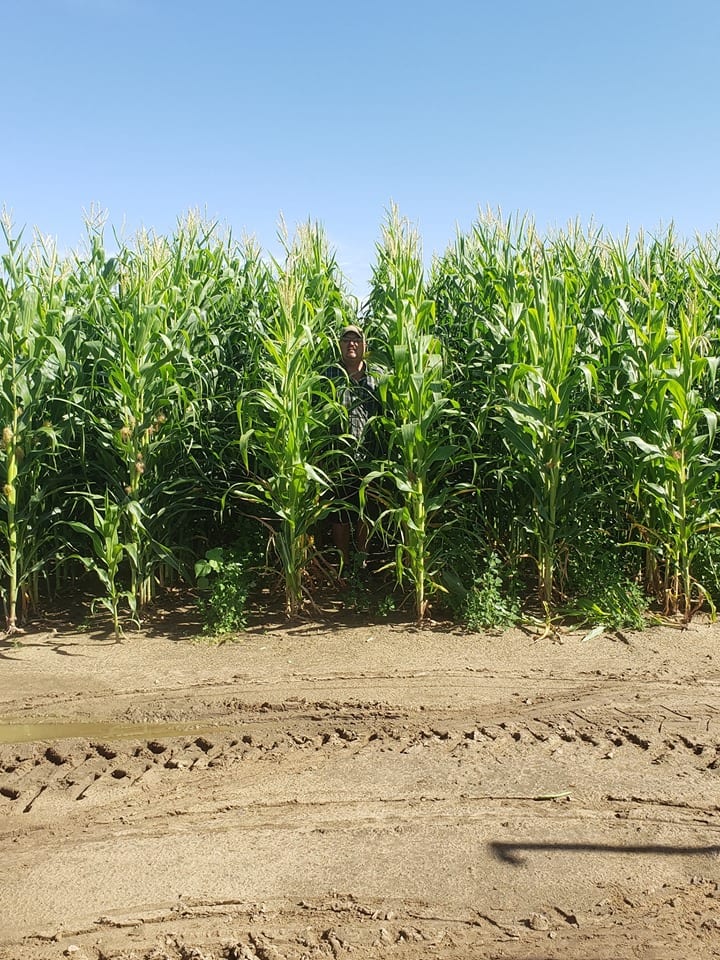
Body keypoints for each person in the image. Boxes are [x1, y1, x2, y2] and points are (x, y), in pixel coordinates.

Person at [325, 323, 381, 568]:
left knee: (365, 511)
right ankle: (344, 564)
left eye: (356, 339)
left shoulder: (376, 379)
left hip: (368, 456)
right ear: (340, 345)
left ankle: (361, 563)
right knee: (340, 514)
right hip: (339, 458)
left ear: (364, 345)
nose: (351, 344)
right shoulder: (330, 376)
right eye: (346, 339)